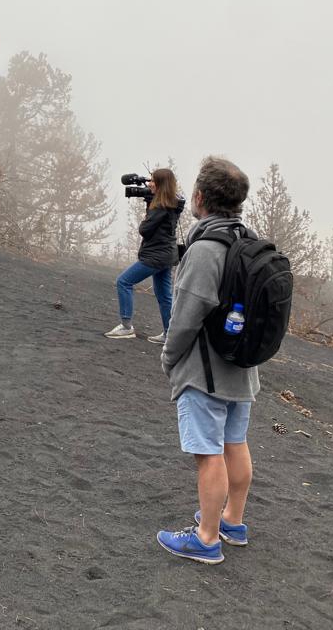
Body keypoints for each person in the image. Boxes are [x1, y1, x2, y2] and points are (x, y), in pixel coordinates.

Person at [156, 156, 255, 565]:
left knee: (208, 454)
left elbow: (186, 316)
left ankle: (207, 538)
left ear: (199, 197)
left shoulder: (205, 249)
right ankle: (233, 520)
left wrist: (168, 358)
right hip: (243, 370)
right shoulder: (249, 241)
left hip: (206, 372)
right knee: (235, 444)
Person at [104, 168, 185, 344]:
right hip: (167, 255)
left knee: (124, 281)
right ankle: (169, 334)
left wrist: (150, 207)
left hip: (155, 256)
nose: (149, 184)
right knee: (164, 295)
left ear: (161, 185)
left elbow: (144, 230)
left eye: (153, 181)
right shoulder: (174, 202)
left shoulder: (160, 206)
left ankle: (126, 327)